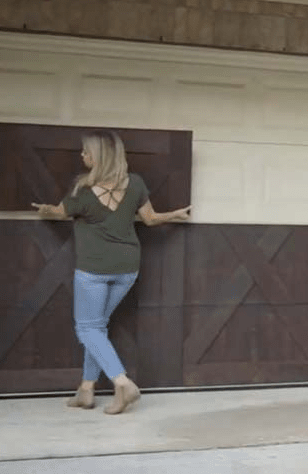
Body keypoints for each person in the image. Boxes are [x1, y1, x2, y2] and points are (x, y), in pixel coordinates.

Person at [32, 130, 190, 414]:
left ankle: (123, 382)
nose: (82, 156)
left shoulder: (82, 189)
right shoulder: (136, 184)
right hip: (127, 269)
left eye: (86, 152)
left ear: (98, 157)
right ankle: (86, 390)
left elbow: (59, 212)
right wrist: (174, 214)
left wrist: (46, 210)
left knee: (87, 328)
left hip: (93, 270)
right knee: (98, 326)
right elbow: (151, 219)